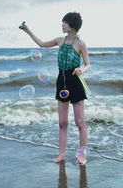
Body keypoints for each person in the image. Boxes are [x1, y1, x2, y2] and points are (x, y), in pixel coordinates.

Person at [20, 12, 90, 165]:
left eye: (64, 22)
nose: (62, 25)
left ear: (72, 25)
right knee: (62, 122)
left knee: (80, 122)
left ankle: (82, 155)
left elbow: (87, 64)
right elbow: (41, 44)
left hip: (75, 81)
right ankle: (62, 154)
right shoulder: (60, 40)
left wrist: (82, 70)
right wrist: (28, 30)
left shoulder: (81, 44)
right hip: (62, 81)